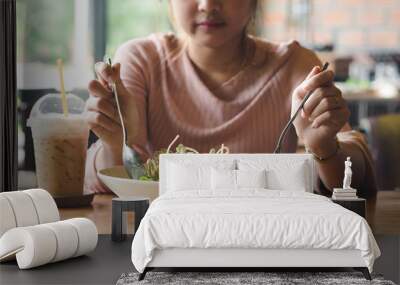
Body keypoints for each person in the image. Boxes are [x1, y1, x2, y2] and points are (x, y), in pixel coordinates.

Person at [84, 0, 377, 198]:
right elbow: (103, 197)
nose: (208, 5)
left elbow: (359, 173)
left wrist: (324, 147)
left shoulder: (293, 65)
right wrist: (116, 142)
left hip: (264, 240)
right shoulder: (141, 61)